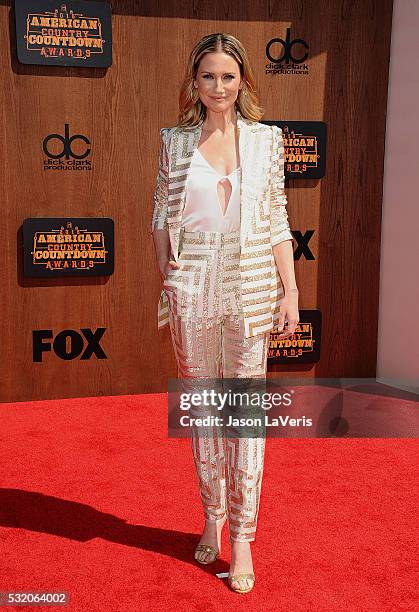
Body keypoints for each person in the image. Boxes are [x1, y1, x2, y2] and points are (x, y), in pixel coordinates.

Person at [151, 32, 299, 594]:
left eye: (228, 76)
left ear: (244, 83)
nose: (218, 86)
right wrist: (170, 279)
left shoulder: (267, 142)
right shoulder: (174, 141)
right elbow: (161, 218)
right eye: (209, 76)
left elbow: (280, 221)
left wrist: (289, 289)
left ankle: (242, 537)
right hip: (193, 288)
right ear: (195, 82)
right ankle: (211, 515)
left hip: (250, 285)